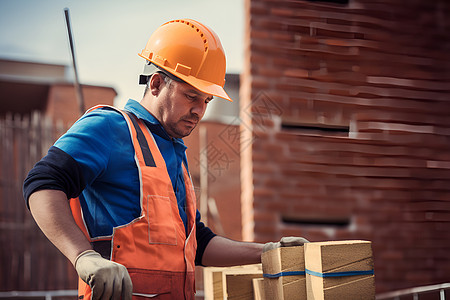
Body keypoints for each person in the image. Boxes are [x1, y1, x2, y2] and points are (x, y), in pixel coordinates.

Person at [23, 19, 308, 300]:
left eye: (206, 101)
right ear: (157, 83)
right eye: (191, 96)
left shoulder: (173, 151)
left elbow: (198, 242)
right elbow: (41, 184)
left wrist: (267, 251)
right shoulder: (110, 128)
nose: (199, 110)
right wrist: (83, 256)